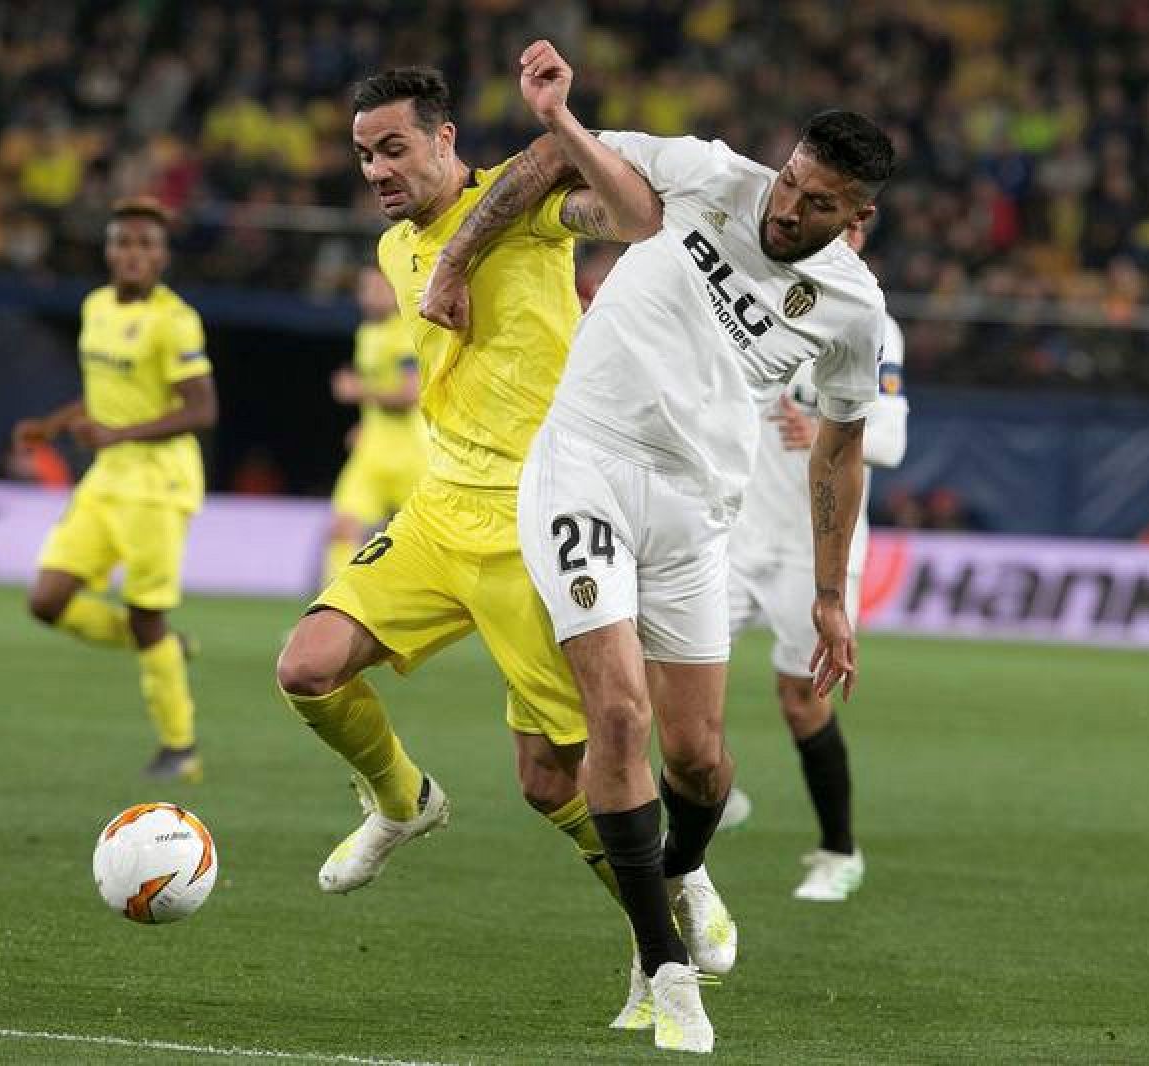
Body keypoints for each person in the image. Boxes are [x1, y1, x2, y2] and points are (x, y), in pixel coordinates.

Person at [425, 41, 895, 1053]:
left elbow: (841, 450)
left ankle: (676, 881)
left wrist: (828, 593)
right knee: (619, 711)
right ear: (785, 161)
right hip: (584, 463)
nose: (787, 210)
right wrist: (461, 256)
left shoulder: (853, 311)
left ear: (854, 216)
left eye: (818, 205)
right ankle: (666, 966)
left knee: (701, 758)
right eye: (792, 183)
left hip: (695, 509)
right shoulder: (710, 174)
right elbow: (552, 164)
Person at [271, 67, 671, 1029]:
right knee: (309, 666)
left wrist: (561, 123)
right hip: (439, 507)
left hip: (539, 517)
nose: (376, 168)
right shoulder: (393, 248)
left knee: (556, 781)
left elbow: (633, 214)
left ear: (447, 141)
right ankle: (402, 801)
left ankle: (658, 945)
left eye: (394, 147)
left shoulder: (525, 210)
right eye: (364, 153)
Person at [718, 218, 910, 904]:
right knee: (665, 666)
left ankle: (839, 850)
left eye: (854, 222)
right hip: (739, 531)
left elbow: (889, 438)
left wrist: (826, 428)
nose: (840, 232)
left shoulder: (871, 322)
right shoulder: (758, 287)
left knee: (801, 700)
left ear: (863, 231)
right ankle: (715, 792)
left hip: (814, 545)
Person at [15, 197, 218, 783]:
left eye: (145, 245)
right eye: (123, 242)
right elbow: (104, 393)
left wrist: (116, 433)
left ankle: (180, 747)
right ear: (108, 251)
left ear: (162, 257)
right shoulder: (95, 306)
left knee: (145, 615)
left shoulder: (175, 321)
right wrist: (52, 426)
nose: (133, 254)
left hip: (159, 484)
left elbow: (202, 409)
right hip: (106, 480)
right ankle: (164, 648)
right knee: (46, 602)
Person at [322, 265, 428, 583]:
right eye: (365, 289)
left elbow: (411, 395)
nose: (369, 295)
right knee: (343, 528)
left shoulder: (406, 332)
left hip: (412, 454)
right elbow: (378, 395)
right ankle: (332, 616)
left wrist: (358, 390)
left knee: (423, 544)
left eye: (378, 288)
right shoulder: (366, 334)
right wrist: (365, 425)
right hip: (372, 452)